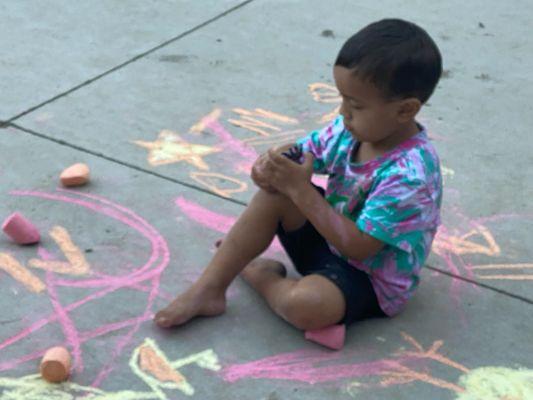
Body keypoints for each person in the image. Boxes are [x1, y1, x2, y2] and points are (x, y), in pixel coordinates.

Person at [154, 18, 443, 331]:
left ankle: (261, 275)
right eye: (342, 99)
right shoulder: (351, 131)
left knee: (306, 307)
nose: (343, 112)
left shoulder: (411, 175)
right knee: (275, 193)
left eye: (355, 105)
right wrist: (272, 165)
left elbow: (359, 247)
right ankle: (208, 289)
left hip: (369, 279)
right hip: (327, 244)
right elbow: (303, 153)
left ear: (404, 110)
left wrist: (300, 189)